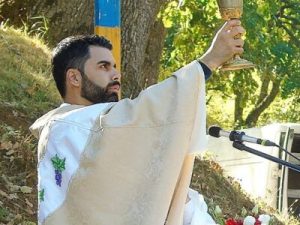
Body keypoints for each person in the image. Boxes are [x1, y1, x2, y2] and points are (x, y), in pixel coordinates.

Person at [30, 19, 245, 225]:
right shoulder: (70, 125)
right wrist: (209, 61)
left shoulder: (79, 130)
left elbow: (152, 187)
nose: (116, 74)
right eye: (103, 67)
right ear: (74, 78)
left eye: (114, 66)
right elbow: (145, 113)